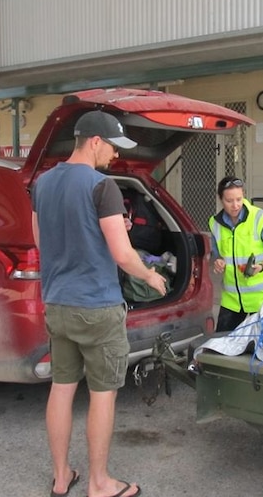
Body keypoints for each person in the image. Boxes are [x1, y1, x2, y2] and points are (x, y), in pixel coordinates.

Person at [32, 110, 165, 497]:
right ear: (93, 141)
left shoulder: (42, 183)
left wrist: (106, 229)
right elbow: (123, 256)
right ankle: (99, 482)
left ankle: (61, 478)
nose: (114, 156)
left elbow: (44, 242)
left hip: (57, 303)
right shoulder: (102, 186)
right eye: (111, 147)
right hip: (97, 307)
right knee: (102, 393)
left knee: (62, 387)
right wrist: (150, 276)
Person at [209, 176, 263, 332]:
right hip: (232, 300)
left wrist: (262, 266)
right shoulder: (215, 223)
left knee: (260, 348)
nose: (235, 205)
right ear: (220, 199)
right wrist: (218, 262)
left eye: (239, 199)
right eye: (229, 201)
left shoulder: (260, 219)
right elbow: (218, 254)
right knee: (222, 344)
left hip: (262, 299)